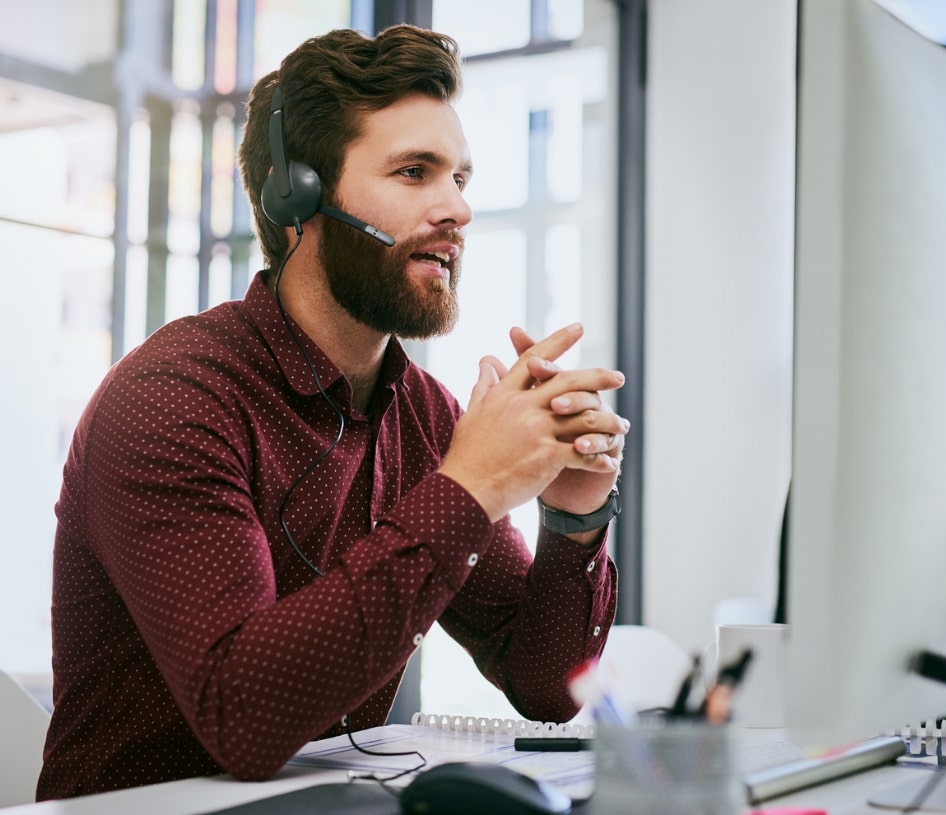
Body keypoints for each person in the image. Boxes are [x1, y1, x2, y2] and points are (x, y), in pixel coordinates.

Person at [37, 23, 628, 800]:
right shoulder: (174, 399)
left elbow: (550, 688)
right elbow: (241, 714)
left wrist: (573, 518)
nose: (457, 209)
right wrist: (472, 485)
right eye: (415, 172)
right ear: (298, 196)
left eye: (461, 178)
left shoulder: (422, 415)